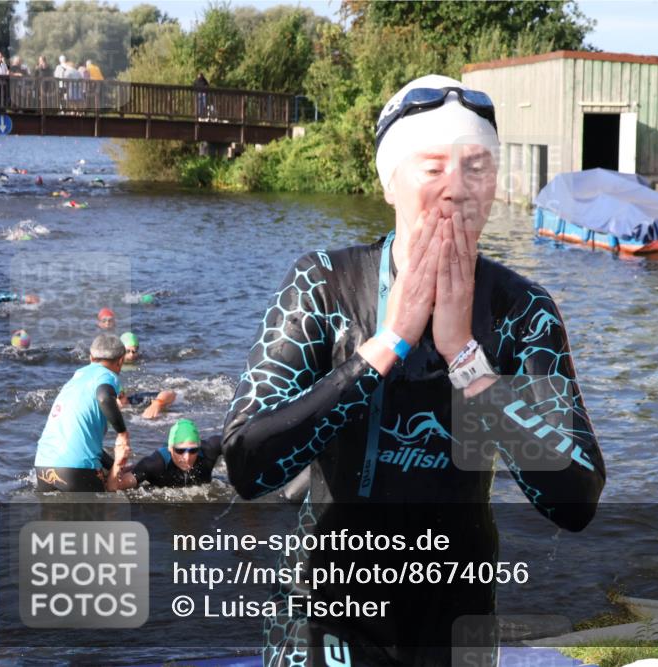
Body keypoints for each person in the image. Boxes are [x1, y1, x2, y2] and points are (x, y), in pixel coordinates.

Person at [222, 74, 605, 666]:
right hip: (326, 610)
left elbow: (574, 502)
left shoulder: (521, 310)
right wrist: (386, 345)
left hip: (455, 618)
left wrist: (465, 359)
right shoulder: (324, 285)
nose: (457, 189)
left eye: (477, 167)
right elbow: (248, 464)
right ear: (389, 181)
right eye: (433, 167)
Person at [34, 334, 131, 492]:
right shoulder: (107, 375)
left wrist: (114, 465)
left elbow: (83, 442)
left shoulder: (76, 380)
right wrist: (122, 433)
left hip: (43, 464)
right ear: (120, 361)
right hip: (77, 468)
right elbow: (104, 397)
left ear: (91, 358)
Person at [107, 419, 223, 490]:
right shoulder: (154, 464)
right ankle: (131, 467)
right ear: (170, 448)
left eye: (193, 450)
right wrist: (117, 463)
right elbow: (114, 487)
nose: (187, 457)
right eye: (180, 451)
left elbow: (234, 440)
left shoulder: (210, 449)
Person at [116, 331, 178, 419]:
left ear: (125, 395)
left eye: (134, 351)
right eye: (127, 351)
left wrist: (157, 403)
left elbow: (172, 393)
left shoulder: (137, 400)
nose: (131, 355)